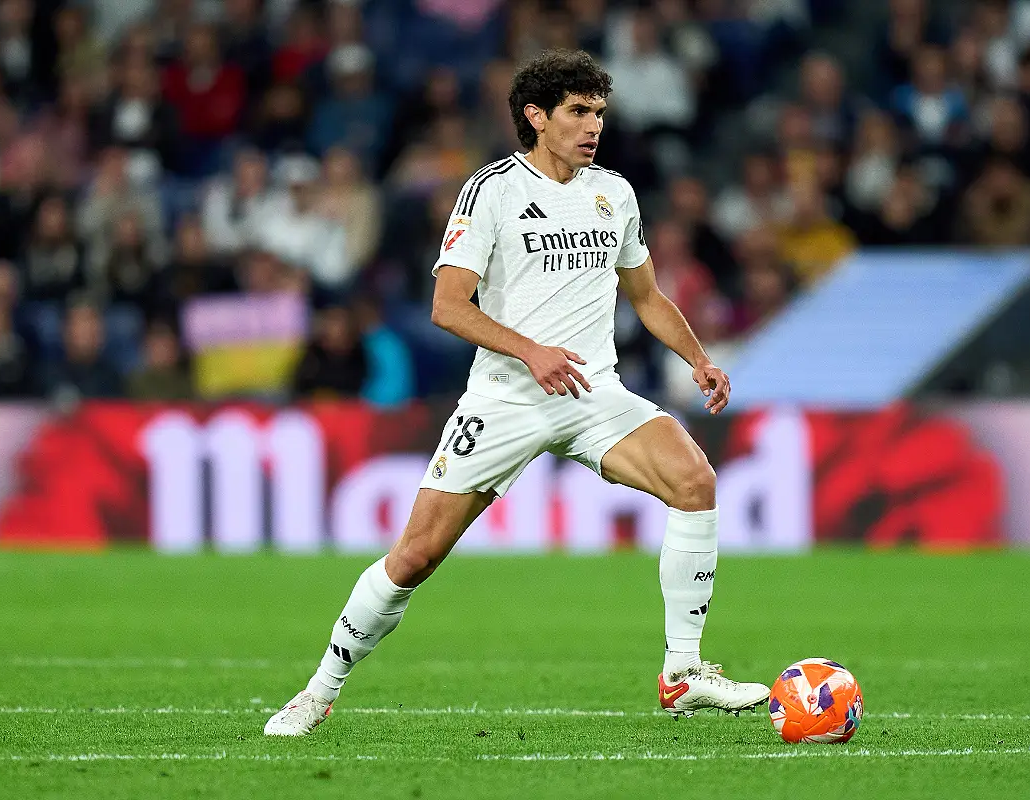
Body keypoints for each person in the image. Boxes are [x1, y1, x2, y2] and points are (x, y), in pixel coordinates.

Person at [265, 49, 769, 736]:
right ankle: (317, 691)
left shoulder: (613, 193)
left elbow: (645, 295)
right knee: (414, 557)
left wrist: (698, 359)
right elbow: (448, 305)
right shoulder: (493, 191)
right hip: (506, 397)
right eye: (578, 112)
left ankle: (682, 673)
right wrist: (530, 351)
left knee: (694, 479)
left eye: (599, 112)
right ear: (536, 116)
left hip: (594, 392)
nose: (593, 126)